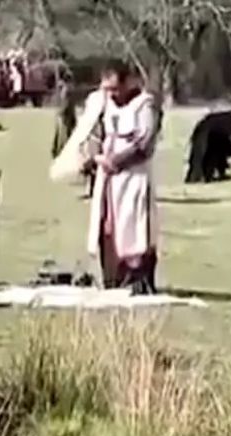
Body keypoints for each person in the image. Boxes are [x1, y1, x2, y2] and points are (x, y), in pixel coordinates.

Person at [86, 59, 159, 295]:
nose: (111, 94)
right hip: (107, 181)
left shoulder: (144, 105)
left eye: (115, 89)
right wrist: (92, 157)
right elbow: (95, 134)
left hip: (133, 179)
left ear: (128, 82)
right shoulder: (104, 105)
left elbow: (145, 144)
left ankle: (137, 282)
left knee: (135, 228)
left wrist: (116, 161)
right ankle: (112, 281)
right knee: (106, 227)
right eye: (106, 89)